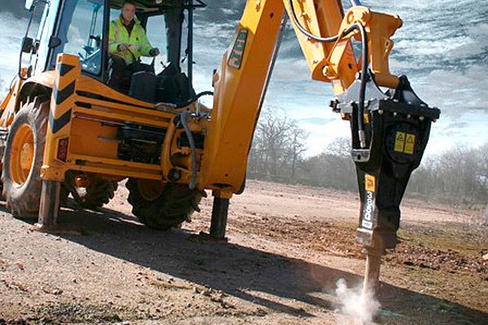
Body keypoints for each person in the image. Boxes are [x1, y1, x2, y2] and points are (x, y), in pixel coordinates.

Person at [108, 0, 160, 92]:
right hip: (116, 59)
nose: (130, 13)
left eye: (132, 11)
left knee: (148, 70)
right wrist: (118, 47)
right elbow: (106, 45)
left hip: (132, 63)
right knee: (118, 64)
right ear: (122, 10)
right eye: (127, 10)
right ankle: (111, 93)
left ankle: (143, 99)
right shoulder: (113, 25)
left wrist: (151, 51)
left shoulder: (139, 29)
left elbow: (144, 46)